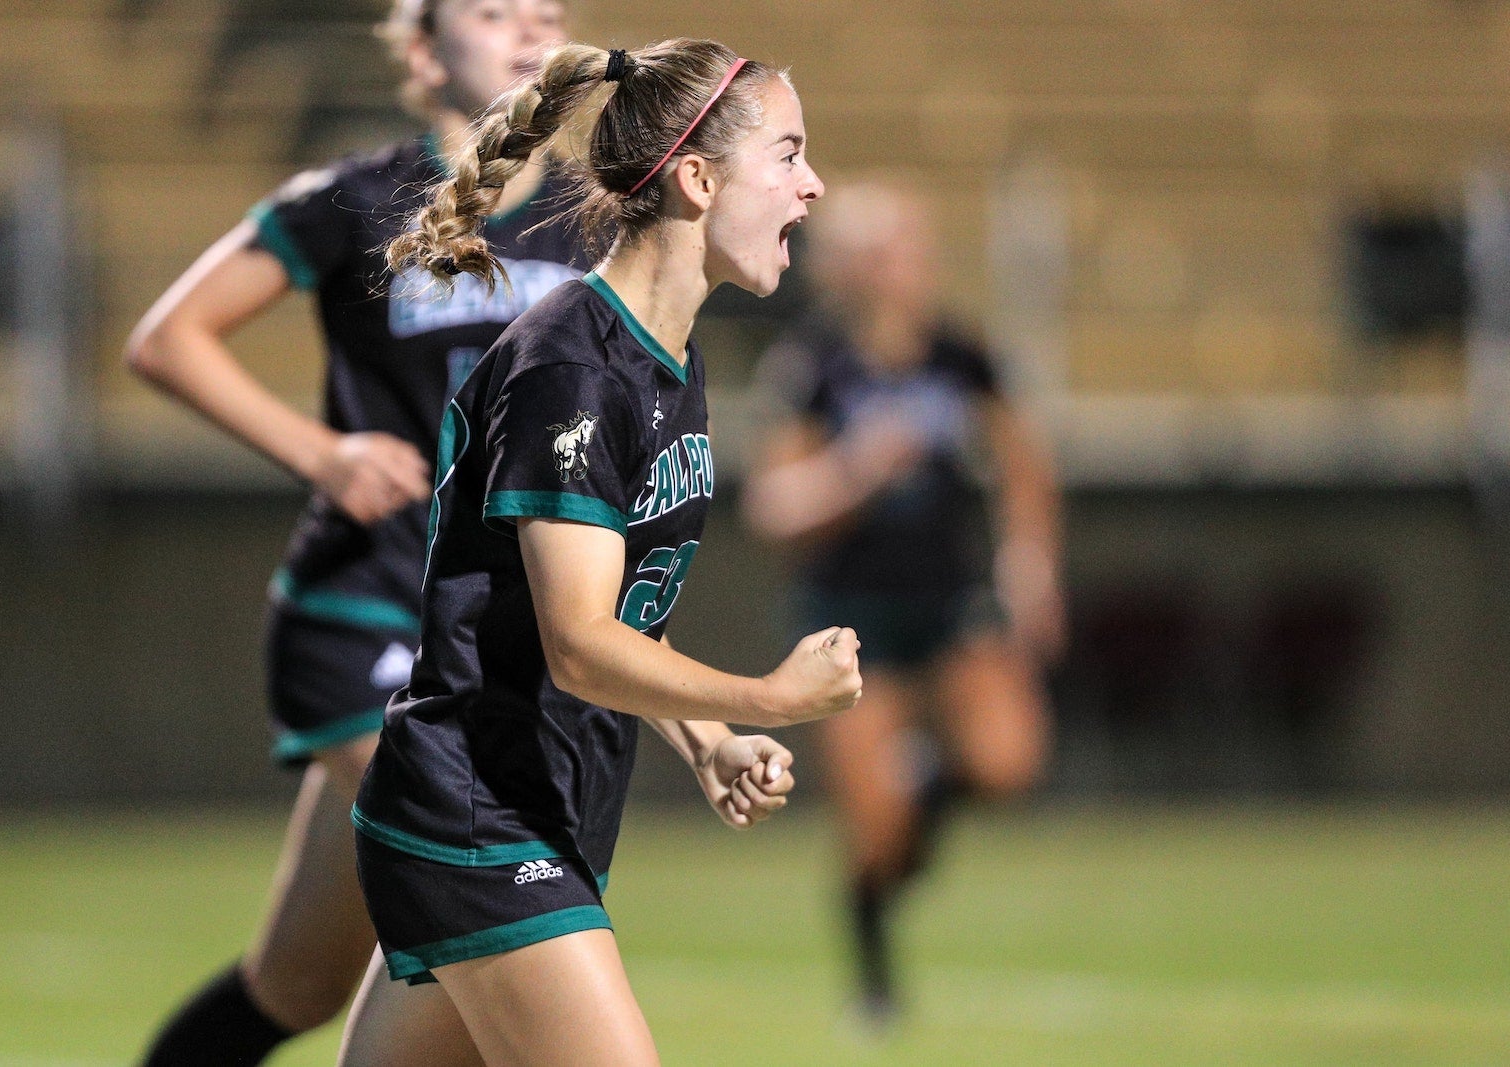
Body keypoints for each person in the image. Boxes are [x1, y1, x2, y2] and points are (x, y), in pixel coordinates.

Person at [333, 38, 858, 1065]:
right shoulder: (571, 366)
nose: (813, 183)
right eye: (788, 155)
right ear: (700, 180)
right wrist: (769, 697)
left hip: (532, 802)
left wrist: (706, 738)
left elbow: (607, 616)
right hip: (479, 808)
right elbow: (577, 646)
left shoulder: (666, 353)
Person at [123, 2, 584, 1062]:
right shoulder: (359, 197)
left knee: (294, 984)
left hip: (484, 648)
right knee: (488, 898)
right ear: (422, 53)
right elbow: (168, 338)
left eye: (545, 12)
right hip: (362, 612)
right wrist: (320, 452)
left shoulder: (597, 217)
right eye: (491, 10)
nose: (527, 29)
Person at [742, 180, 1065, 1027]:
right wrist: (856, 470)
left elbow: (1025, 465)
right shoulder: (813, 368)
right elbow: (773, 504)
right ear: (846, 268)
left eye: (912, 249)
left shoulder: (961, 356)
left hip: (951, 599)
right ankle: (874, 964)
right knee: (876, 826)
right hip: (852, 616)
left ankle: (927, 785)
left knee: (1008, 761)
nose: (904, 269)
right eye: (884, 253)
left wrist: (1029, 564)